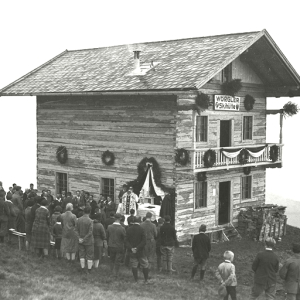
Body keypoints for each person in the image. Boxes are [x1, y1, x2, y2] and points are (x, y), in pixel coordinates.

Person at [126, 216, 149, 283]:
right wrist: (137, 248)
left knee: (134, 265)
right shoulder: (142, 229)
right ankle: (146, 279)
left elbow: (126, 241)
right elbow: (144, 241)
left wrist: (131, 248)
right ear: (140, 221)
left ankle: (136, 279)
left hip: (132, 250)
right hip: (141, 250)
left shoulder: (129, 229)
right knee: (145, 264)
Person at [107, 213, 126, 277]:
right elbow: (124, 238)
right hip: (119, 246)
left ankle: (111, 272)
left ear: (114, 218)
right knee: (117, 260)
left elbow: (107, 236)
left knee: (111, 259)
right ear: (120, 219)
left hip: (111, 245)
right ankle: (116, 273)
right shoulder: (122, 228)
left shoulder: (109, 227)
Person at [76, 206, 94, 274]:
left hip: (80, 240)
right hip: (88, 241)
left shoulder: (78, 220)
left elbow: (76, 230)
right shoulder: (90, 221)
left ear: (83, 212)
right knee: (89, 255)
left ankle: (82, 268)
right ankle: (89, 270)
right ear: (90, 212)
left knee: (82, 254)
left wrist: (79, 238)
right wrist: (84, 239)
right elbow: (90, 232)